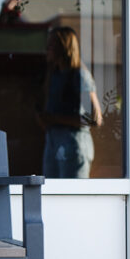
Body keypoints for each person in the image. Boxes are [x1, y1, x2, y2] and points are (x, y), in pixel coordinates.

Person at [38, 26, 103, 178]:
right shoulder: (54, 75)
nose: (47, 49)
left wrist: (54, 119)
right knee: (51, 196)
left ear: (64, 47)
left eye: (52, 45)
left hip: (73, 146)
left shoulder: (79, 75)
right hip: (54, 144)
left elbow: (94, 118)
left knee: (72, 198)